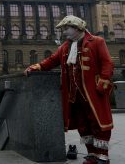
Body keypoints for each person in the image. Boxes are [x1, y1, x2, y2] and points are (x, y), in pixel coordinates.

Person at [24, 15, 114, 164]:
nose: (64, 32)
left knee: (99, 124)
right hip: (74, 95)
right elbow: (51, 61)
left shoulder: (97, 42)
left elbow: (107, 63)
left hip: (93, 93)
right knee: (83, 124)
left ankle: (103, 155)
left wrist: (103, 82)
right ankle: (92, 154)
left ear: (77, 27)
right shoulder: (65, 46)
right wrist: (37, 67)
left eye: (66, 28)